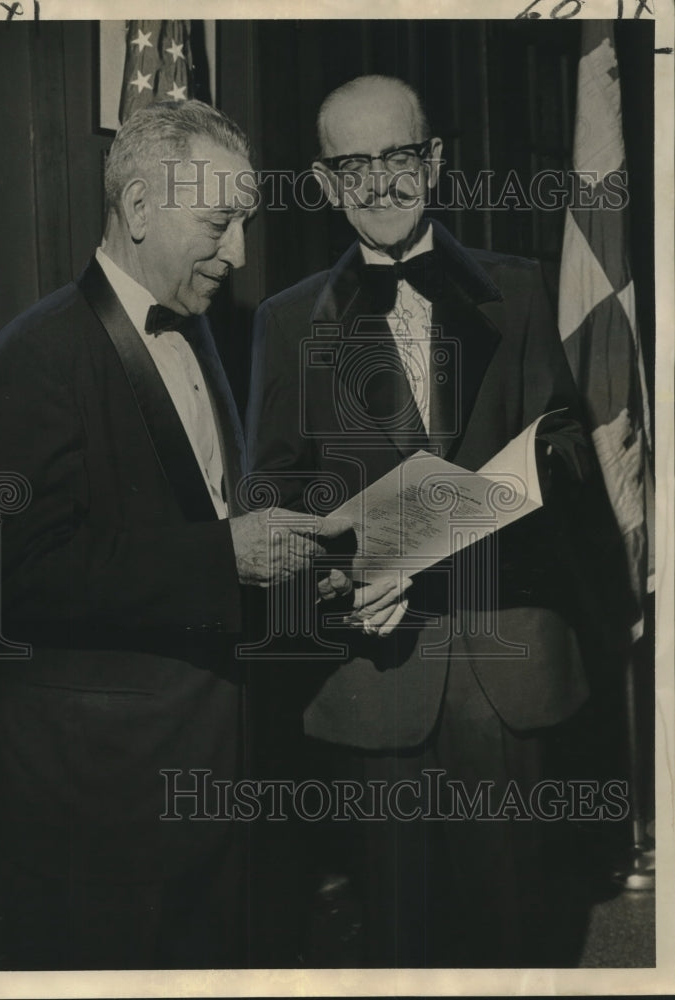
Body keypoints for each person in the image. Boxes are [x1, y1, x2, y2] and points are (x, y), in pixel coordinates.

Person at [247, 75, 631, 967]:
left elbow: (574, 454)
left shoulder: (524, 289)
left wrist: (526, 472)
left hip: (514, 669)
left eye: (398, 156)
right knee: (398, 943)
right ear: (325, 179)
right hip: (376, 681)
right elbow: (275, 499)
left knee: (521, 939)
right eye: (355, 163)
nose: (379, 183)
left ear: (435, 160)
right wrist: (335, 585)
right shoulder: (287, 319)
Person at [0, 100, 346, 970]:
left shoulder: (205, 329)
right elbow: (17, 576)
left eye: (245, 222)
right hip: (97, 808)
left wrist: (294, 571)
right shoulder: (34, 355)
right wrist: (229, 555)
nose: (241, 252)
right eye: (219, 222)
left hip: (212, 780)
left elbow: (199, 523)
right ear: (139, 210)